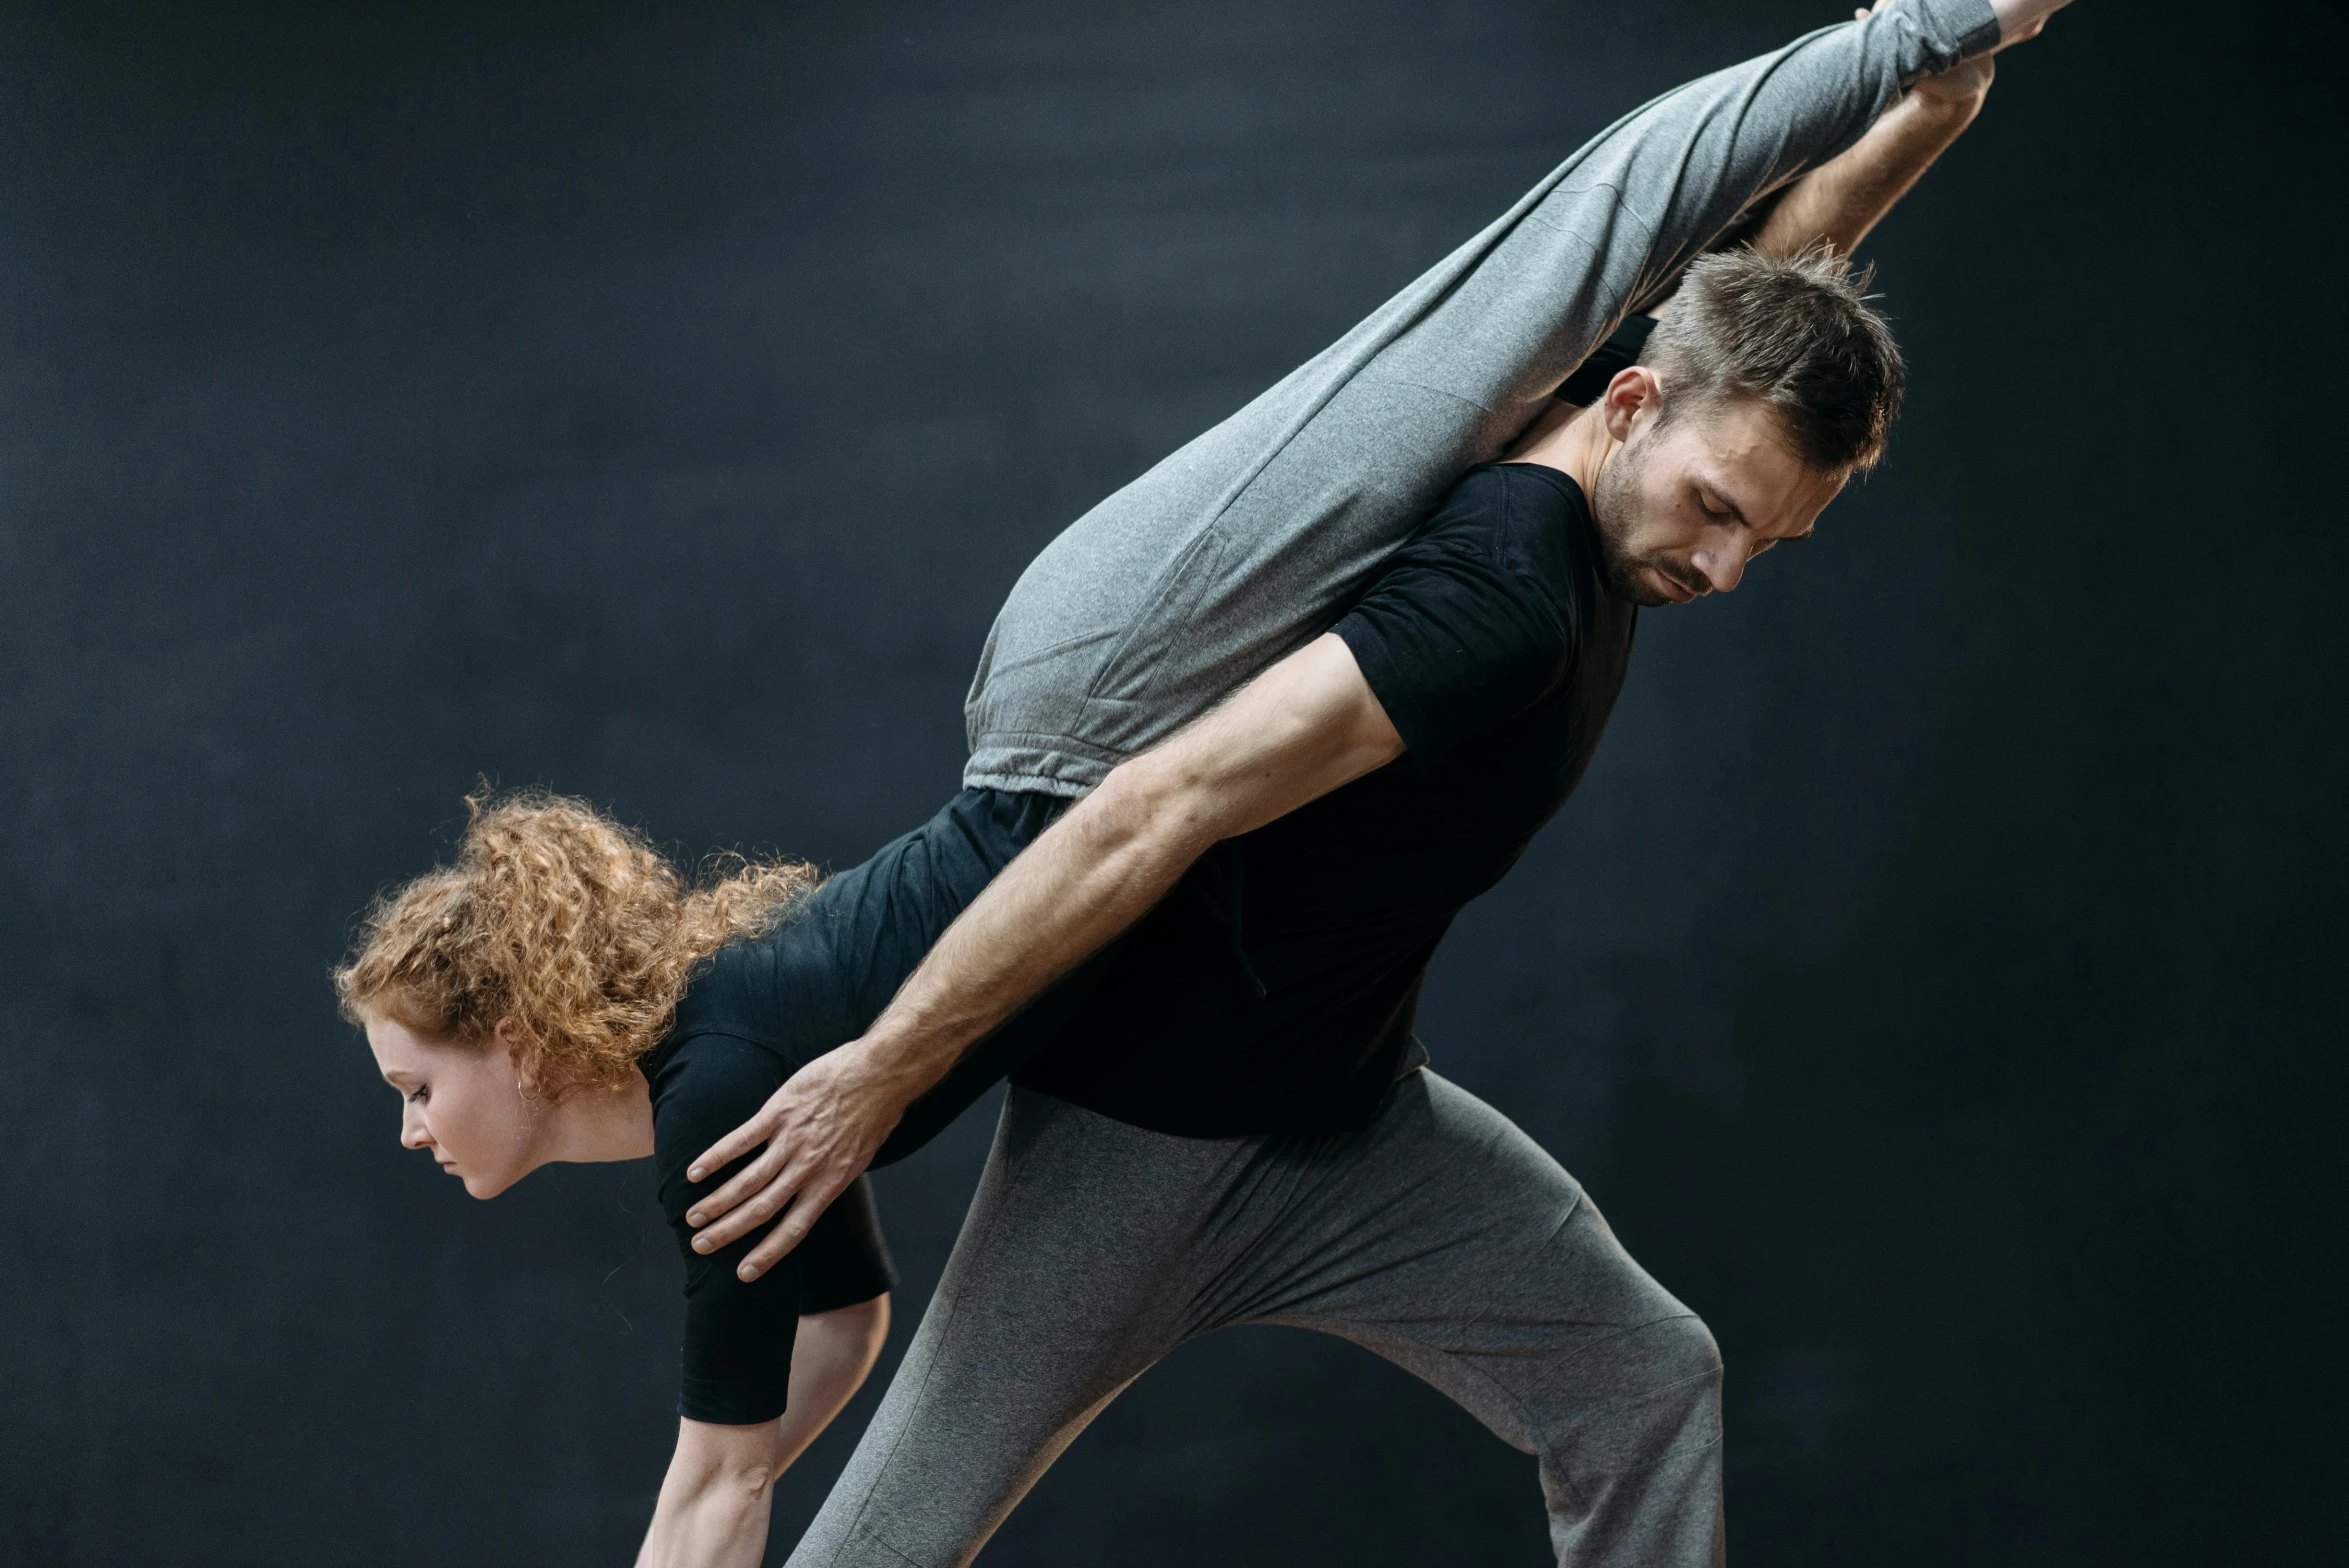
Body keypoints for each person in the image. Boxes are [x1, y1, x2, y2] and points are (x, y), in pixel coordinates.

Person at [333, 1, 2064, 1563]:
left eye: (1769, 535)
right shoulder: (1502, 603)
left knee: (1643, 1379)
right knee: (887, 1543)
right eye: (1717, 512)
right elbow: (1154, 804)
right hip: (1147, 1138)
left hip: (1351, 1120)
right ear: (1626, 408)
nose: (1730, 564)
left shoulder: (1638, 455)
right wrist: (883, 1069)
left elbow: (1763, 296)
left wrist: (1930, 113)